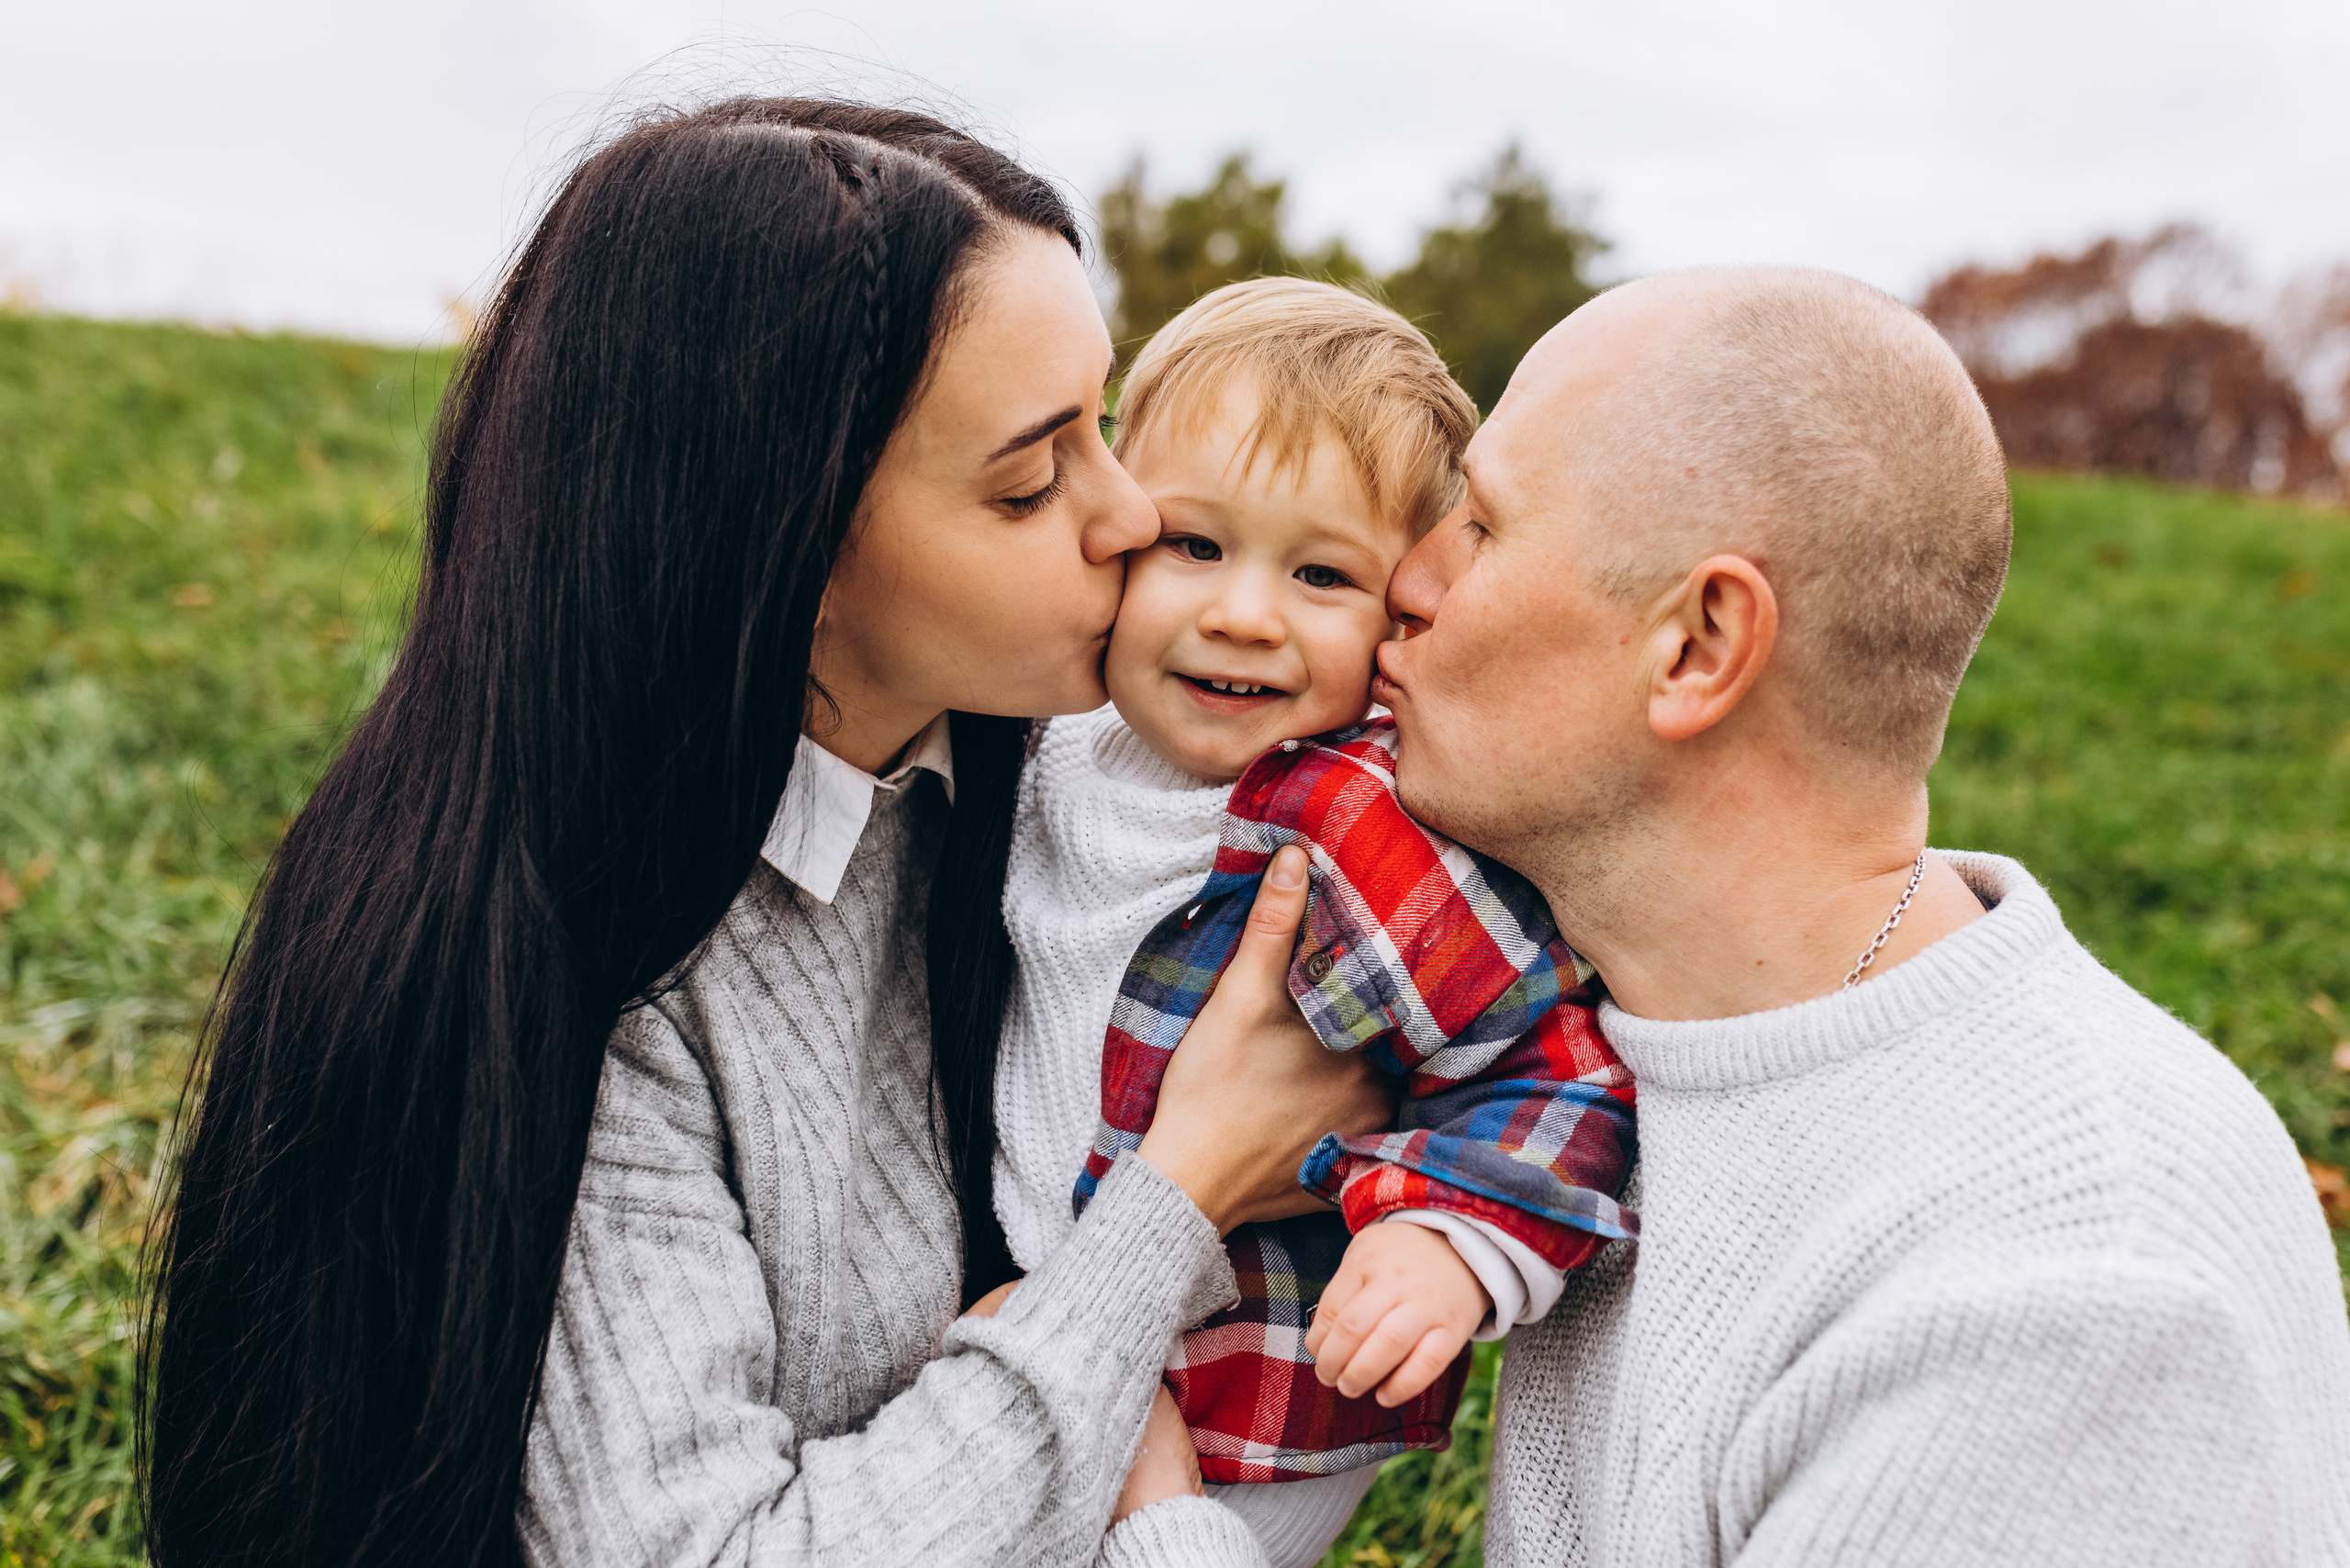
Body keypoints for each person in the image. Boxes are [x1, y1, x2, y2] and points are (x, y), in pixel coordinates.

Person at [140, 100, 1389, 1568]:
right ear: (786, 544)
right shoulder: (577, 983)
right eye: (1032, 479)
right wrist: (1179, 1197)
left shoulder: (1022, 782)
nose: (1130, 516)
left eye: (1102, 425)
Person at [1372, 264, 2350, 1565]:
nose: (1407, 578)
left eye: (1482, 527)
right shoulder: (1618, 1054)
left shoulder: (2060, 1305)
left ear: (1701, 645)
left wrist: (1157, 1523)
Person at [986, 279, 1636, 1568]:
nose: (1243, 613)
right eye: (1195, 545)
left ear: (1399, 619)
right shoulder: (1045, 750)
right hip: (1041, 1321)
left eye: (1321, 572)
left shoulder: (1364, 829)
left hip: (1249, 1414)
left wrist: (1448, 1243)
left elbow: (1559, 1073)